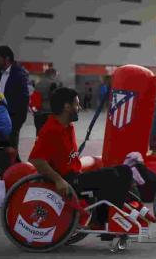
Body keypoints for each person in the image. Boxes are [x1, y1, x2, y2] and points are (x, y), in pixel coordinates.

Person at [28, 87, 142, 239]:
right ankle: (102, 221)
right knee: (112, 175)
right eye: (77, 104)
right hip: (67, 181)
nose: (80, 108)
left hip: (76, 175)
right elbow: (36, 160)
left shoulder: (68, 127)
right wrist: (58, 180)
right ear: (67, 107)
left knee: (124, 170)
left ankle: (106, 217)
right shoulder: (51, 130)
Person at [0, 45, 29, 152]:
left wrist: (17, 121)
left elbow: (24, 99)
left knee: (11, 146)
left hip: (12, 116)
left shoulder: (19, 74)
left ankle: (14, 166)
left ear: (7, 58)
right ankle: (2, 166)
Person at [34, 68, 63, 135]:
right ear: (53, 74)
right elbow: (55, 99)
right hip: (49, 112)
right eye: (56, 75)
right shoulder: (53, 84)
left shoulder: (38, 84)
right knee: (50, 135)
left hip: (38, 113)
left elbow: (35, 98)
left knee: (39, 134)